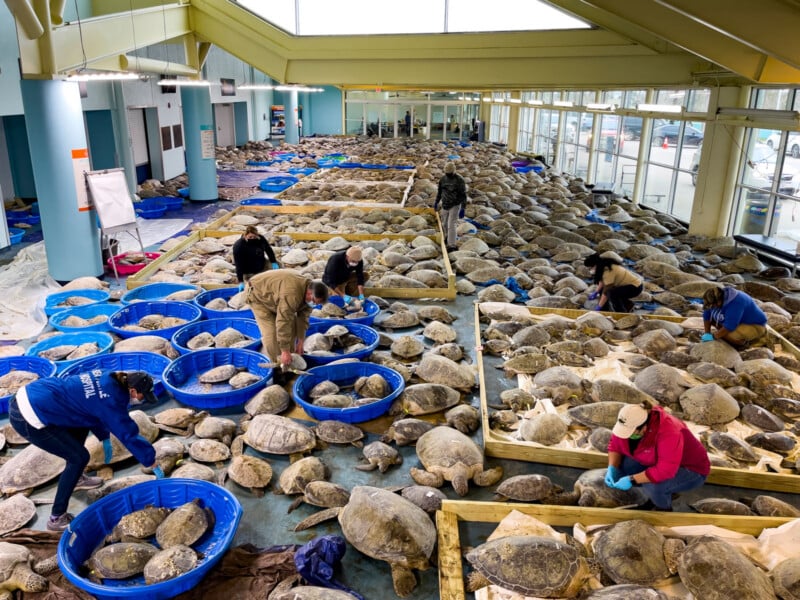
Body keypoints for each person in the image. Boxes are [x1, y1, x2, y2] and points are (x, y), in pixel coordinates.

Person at [9, 370, 162, 532]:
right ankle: (56, 516)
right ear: (132, 391)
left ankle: (77, 478)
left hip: (34, 395)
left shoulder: (108, 378)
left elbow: (89, 410)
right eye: (142, 395)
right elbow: (128, 433)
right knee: (78, 457)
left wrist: (103, 436)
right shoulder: (112, 399)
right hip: (27, 415)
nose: (143, 399)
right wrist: (150, 459)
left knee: (79, 428)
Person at [604, 402, 710, 511]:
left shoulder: (669, 432)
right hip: (658, 460)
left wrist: (632, 479)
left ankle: (663, 509)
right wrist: (612, 467)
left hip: (690, 469)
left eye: (630, 432)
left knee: (653, 486)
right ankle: (662, 494)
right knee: (624, 467)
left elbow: (666, 470)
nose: (627, 435)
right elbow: (615, 445)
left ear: (644, 427)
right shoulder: (628, 419)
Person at [245, 270, 328, 383]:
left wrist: (301, 341)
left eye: (317, 304)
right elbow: (283, 320)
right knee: (271, 334)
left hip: (275, 295)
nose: (314, 304)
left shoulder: (309, 294)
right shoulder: (292, 294)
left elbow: (303, 319)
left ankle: (290, 363)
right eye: (314, 301)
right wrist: (284, 350)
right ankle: (279, 368)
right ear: (309, 293)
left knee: (292, 325)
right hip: (257, 294)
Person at [702, 286, 767, 348]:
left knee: (730, 336)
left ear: (719, 301)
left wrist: (713, 337)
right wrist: (707, 333)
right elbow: (706, 315)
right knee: (718, 328)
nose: (711, 307)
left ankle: (744, 343)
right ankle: (729, 335)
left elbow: (730, 326)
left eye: (712, 306)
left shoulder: (736, 302)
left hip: (755, 325)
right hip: (739, 320)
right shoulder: (715, 298)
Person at [434, 162, 468, 252]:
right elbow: (439, 192)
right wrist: (436, 202)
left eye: (450, 173)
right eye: (447, 173)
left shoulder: (459, 180)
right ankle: (446, 237)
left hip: (455, 204)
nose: (448, 175)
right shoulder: (443, 179)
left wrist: (463, 208)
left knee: (451, 225)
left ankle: (451, 244)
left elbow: (463, 195)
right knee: (444, 223)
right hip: (445, 204)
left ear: (454, 171)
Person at [232, 226, 279, 291]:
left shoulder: (260, 239)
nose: (252, 239)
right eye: (250, 237)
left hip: (261, 264)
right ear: (245, 235)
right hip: (248, 271)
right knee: (257, 287)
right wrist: (241, 281)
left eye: (254, 237)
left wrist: (273, 262)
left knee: (279, 265)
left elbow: (268, 249)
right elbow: (238, 264)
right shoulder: (239, 246)